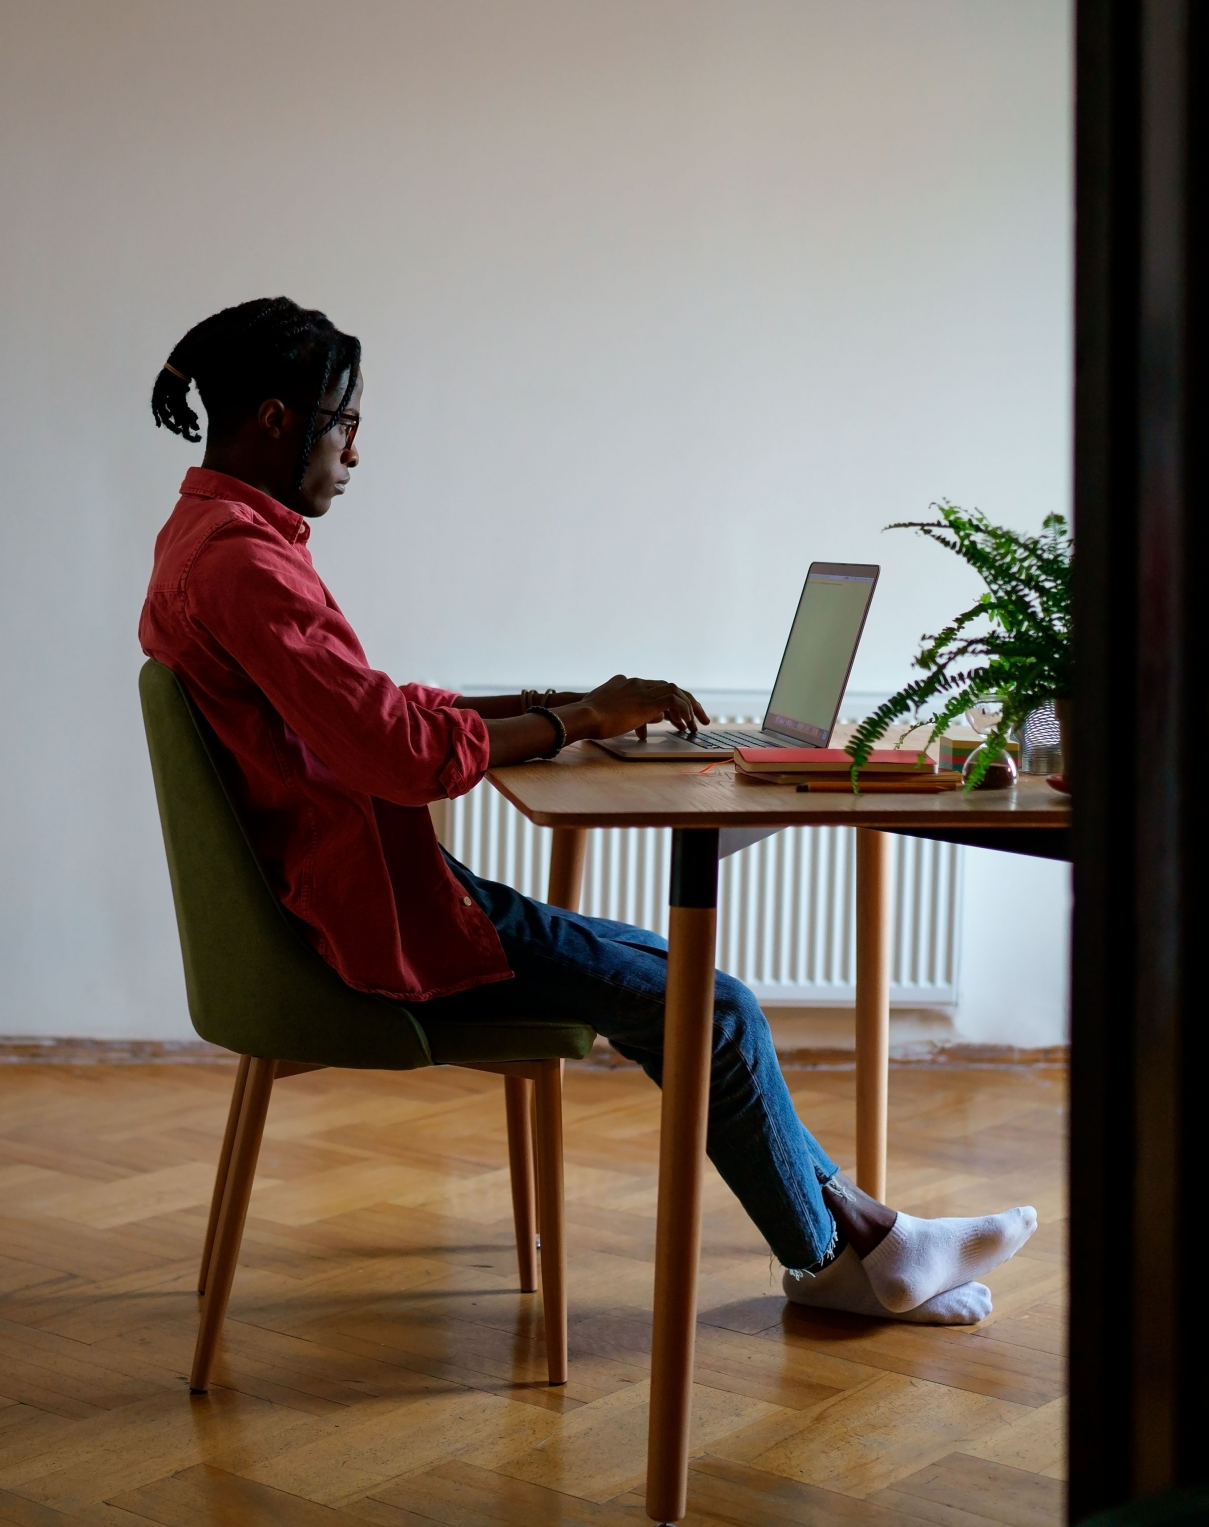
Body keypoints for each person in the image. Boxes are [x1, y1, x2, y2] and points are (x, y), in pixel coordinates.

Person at [138, 297, 1035, 1322]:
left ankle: (875, 1239)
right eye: (345, 422)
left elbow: (367, 708)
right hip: (370, 923)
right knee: (715, 1006)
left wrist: (549, 708)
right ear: (270, 419)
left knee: (683, 990)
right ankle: (836, 1268)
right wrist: (568, 724)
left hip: (357, 888)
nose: (355, 448)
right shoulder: (244, 565)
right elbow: (396, 754)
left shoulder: (208, 538)